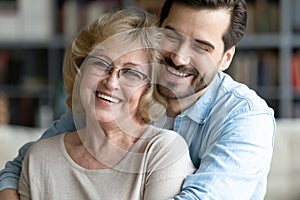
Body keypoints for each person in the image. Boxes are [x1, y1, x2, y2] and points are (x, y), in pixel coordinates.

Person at [0, 0, 276, 199]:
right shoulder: (120, 92)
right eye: (172, 36)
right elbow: (22, 165)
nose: (179, 57)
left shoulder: (246, 118)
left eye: (201, 48)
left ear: (226, 57)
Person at [19, 8, 196, 200]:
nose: (111, 82)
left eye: (132, 73)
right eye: (101, 63)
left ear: (149, 88)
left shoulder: (162, 152)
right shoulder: (39, 158)